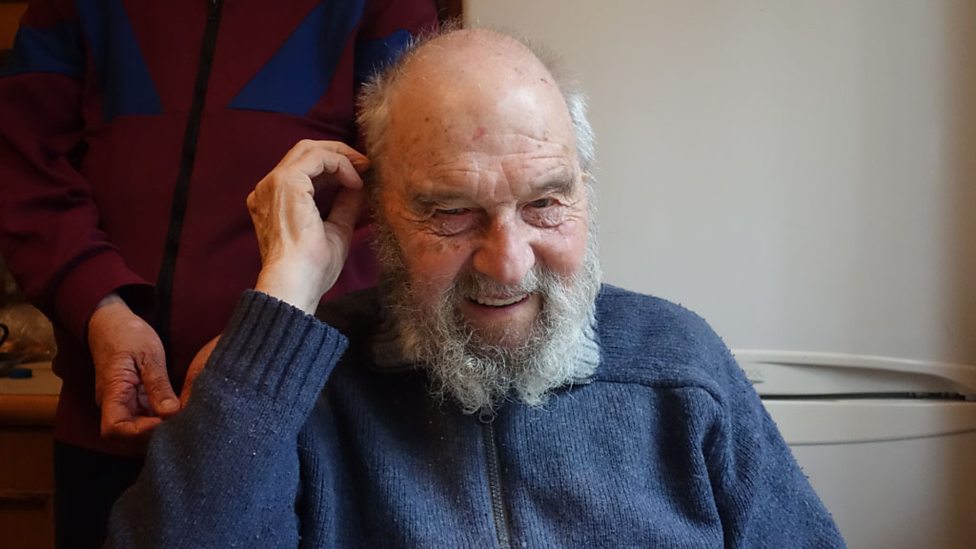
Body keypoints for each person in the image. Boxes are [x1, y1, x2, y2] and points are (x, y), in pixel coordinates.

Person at [105, 28, 845, 547]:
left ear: (584, 189)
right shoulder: (292, 391)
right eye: (452, 212)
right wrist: (283, 300)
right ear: (376, 210)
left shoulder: (681, 365)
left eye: (545, 202)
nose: (509, 264)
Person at [0, 1, 437, 546]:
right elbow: (22, 161)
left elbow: (410, 199)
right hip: (107, 418)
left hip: (305, 426)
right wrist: (98, 305)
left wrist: (258, 347)